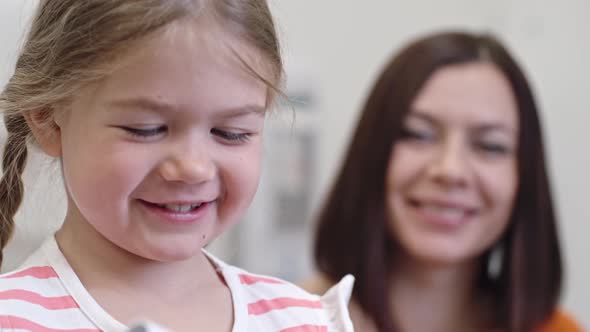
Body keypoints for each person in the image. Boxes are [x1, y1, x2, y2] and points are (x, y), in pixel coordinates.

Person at [0, 1, 354, 331]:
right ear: (48, 119)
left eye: (231, 133)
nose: (193, 168)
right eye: (146, 129)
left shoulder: (304, 320)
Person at [302, 31, 582, 332]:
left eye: (490, 145)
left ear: (524, 177)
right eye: (418, 134)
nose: (450, 170)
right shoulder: (287, 320)